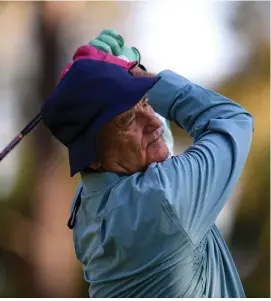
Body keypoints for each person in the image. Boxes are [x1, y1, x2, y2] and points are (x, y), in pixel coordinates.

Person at [41, 32, 253, 298]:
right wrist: (139, 74)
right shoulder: (163, 201)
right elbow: (233, 120)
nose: (153, 121)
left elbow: (150, 159)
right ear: (92, 155)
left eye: (145, 102)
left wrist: (98, 80)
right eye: (127, 119)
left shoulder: (87, 203)